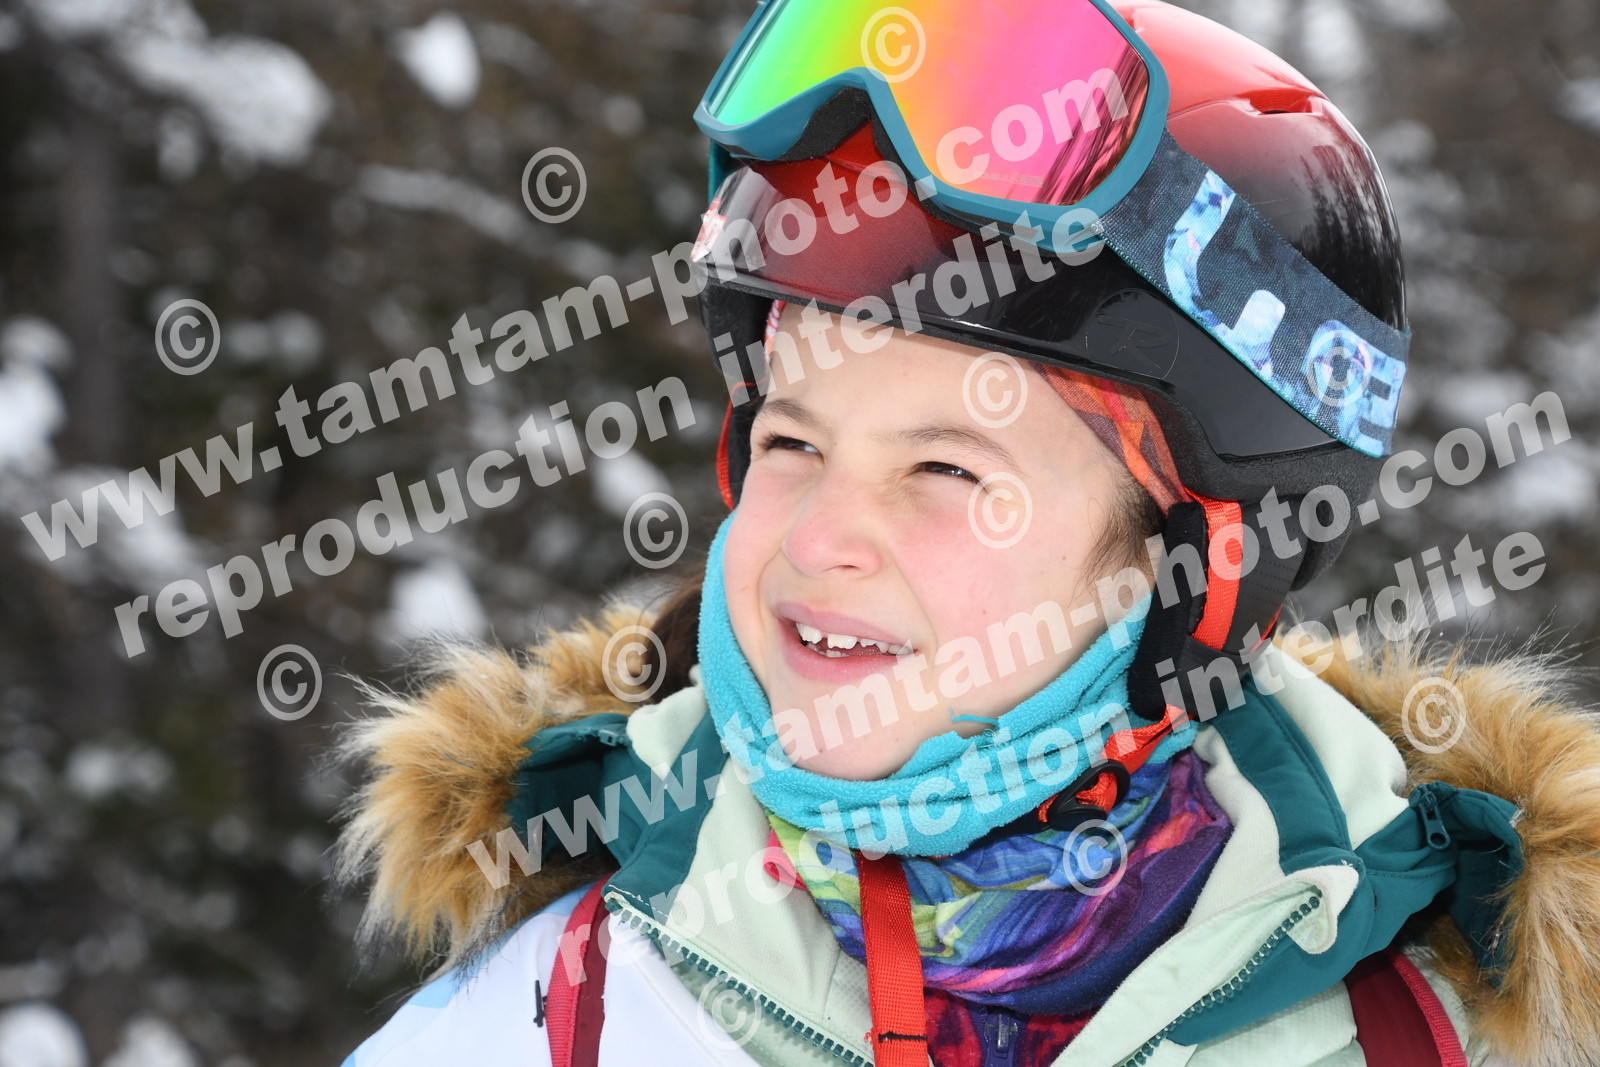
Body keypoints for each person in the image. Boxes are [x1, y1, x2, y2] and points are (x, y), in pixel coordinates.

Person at [333, 2, 1600, 1064]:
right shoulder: (556, 1012)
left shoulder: (1449, 1025)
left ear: (1190, 563)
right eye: (791, 441)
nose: (821, 539)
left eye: (945, 468)